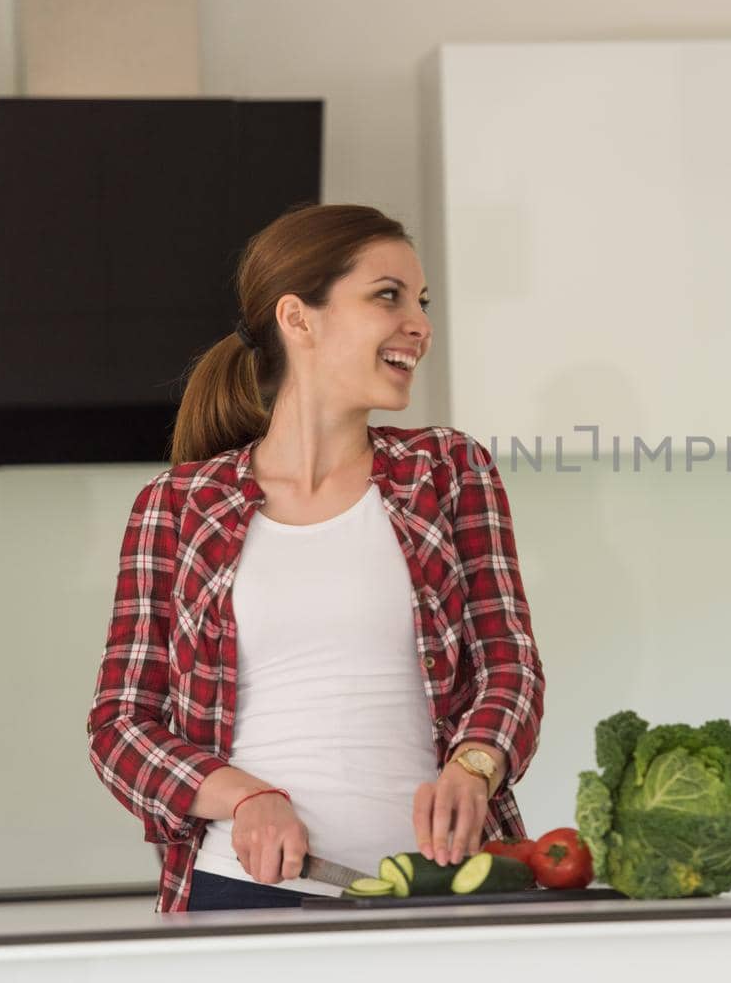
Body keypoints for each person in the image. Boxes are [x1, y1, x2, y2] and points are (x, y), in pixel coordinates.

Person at [88, 204, 544, 912]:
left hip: (446, 887)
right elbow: (121, 725)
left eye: (421, 302)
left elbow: (508, 663)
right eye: (387, 296)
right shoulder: (177, 506)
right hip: (249, 893)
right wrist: (245, 799)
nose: (419, 325)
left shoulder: (448, 471)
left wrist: (476, 764)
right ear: (298, 319)